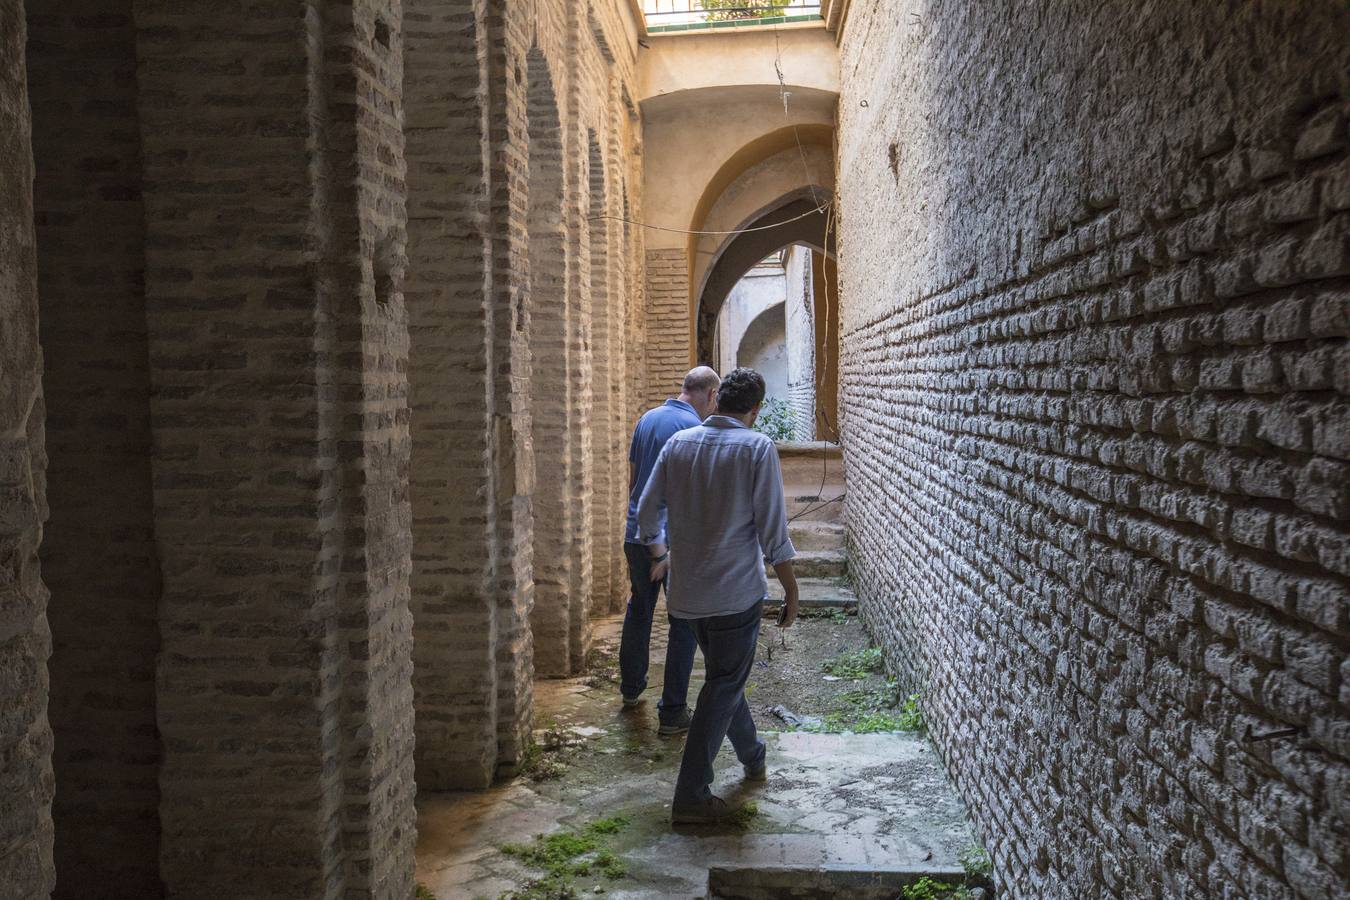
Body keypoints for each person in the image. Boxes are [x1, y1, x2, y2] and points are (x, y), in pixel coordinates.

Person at [636, 367, 799, 824]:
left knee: (725, 679)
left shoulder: (678, 444)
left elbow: (647, 512)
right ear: (755, 409)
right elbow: (772, 529)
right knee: (723, 682)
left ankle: (753, 754)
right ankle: (691, 795)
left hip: (688, 595)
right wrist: (791, 587)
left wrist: (662, 554)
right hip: (735, 594)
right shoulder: (756, 448)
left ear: (718, 398)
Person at [618, 366, 721, 735]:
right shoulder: (694, 430)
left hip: (636, 535)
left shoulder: (646, 420)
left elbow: (634, 482)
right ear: (710, 395)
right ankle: (673, 711)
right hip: (673, 544)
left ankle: (631, 689)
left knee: (639, 610)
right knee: (683, 623)